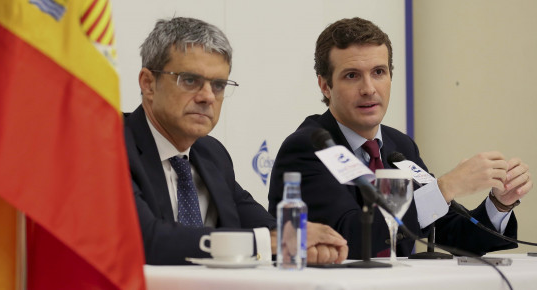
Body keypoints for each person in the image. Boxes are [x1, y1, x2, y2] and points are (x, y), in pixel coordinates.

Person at [268, 17, 533, 259]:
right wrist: (445, 188)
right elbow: (350, 237)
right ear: (325, 85)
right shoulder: (308, 147)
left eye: (379, 72)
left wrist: (499, 203)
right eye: (352, 76)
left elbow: (454, 235)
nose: (369, 89)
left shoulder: (399, 147)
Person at [124, 17, 348, 265]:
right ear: (148, 84)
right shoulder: (112, 146)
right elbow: (146, 240)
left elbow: (264, 225)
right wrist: (274, 242)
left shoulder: (212, 154)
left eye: (218, 85)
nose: (208, 97)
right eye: (189, 80)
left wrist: (305, 243)